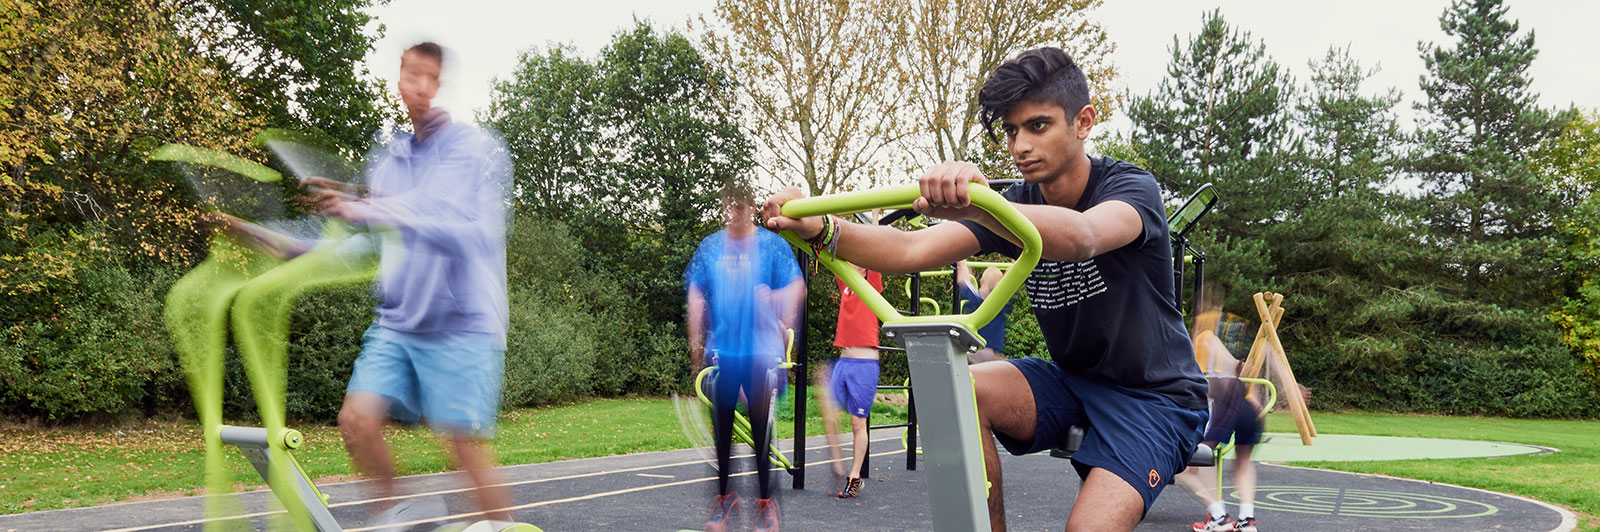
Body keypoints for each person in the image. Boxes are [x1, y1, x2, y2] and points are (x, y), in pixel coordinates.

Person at [762, 46, 1208, 532]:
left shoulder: (1129, 187)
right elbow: (909, 251)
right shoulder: (1013, 201)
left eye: (1038, 126)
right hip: (1074, 381)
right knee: (961, 391)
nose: (1019, 145)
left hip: (1155, 398)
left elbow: (1084, 236)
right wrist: (822, 228)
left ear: (1083, 122)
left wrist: (979, 205)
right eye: (1012, 131)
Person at [307, 41, 515, 529]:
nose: (420, 86)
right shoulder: (389, 159)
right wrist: (284, 244)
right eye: (412, 75)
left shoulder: (468, 148)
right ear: (399, 80)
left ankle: (504, 526)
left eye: (430, 77)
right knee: (356, 421)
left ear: (439, 85)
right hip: (399, 320)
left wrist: (370, 208)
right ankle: (399, 510)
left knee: (463, 447)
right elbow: (364, 242)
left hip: (461, 321)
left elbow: (458, 229)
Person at [685, 181, 806, 532]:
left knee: (759, 429)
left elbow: (797, 287)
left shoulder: (771, 245)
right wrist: (696, 346)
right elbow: (694, 296)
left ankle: (767, 505)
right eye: (727, 207)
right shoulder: (710, 248)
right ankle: (724, 500)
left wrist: (776, 297)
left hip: (760, 354)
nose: (732, 214)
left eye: (738, 207)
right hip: (723, 352)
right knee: (722, 430)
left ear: (751, 208)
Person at [1175, 302, 1262, 532]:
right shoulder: (1213, 342)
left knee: (1184, 465)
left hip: (1225, 406)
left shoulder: (1200, 341)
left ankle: (1218, 515)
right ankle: (1246, 519)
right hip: (1245, 403)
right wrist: (1254, 397)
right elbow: (1239, 369)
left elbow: (1199, 382)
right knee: (1241, 462)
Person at [820, 261, 883, 498]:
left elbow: (873, 250)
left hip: (865, 365)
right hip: (844, 362)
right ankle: (838, 468)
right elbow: (834, 256)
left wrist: (874, 223)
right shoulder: (846, 284)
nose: (853, 260)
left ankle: (854, 477)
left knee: (858, 423)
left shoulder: (872, 286)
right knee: (828, 413)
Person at [955, 260, 1014, 364]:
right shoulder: (999, 304)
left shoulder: (974, 298)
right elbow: (1011, 278)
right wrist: (1014, 262)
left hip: (973, 353)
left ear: (981, 281)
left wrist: (962, 262)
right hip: (991, 355)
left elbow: (962, 280)